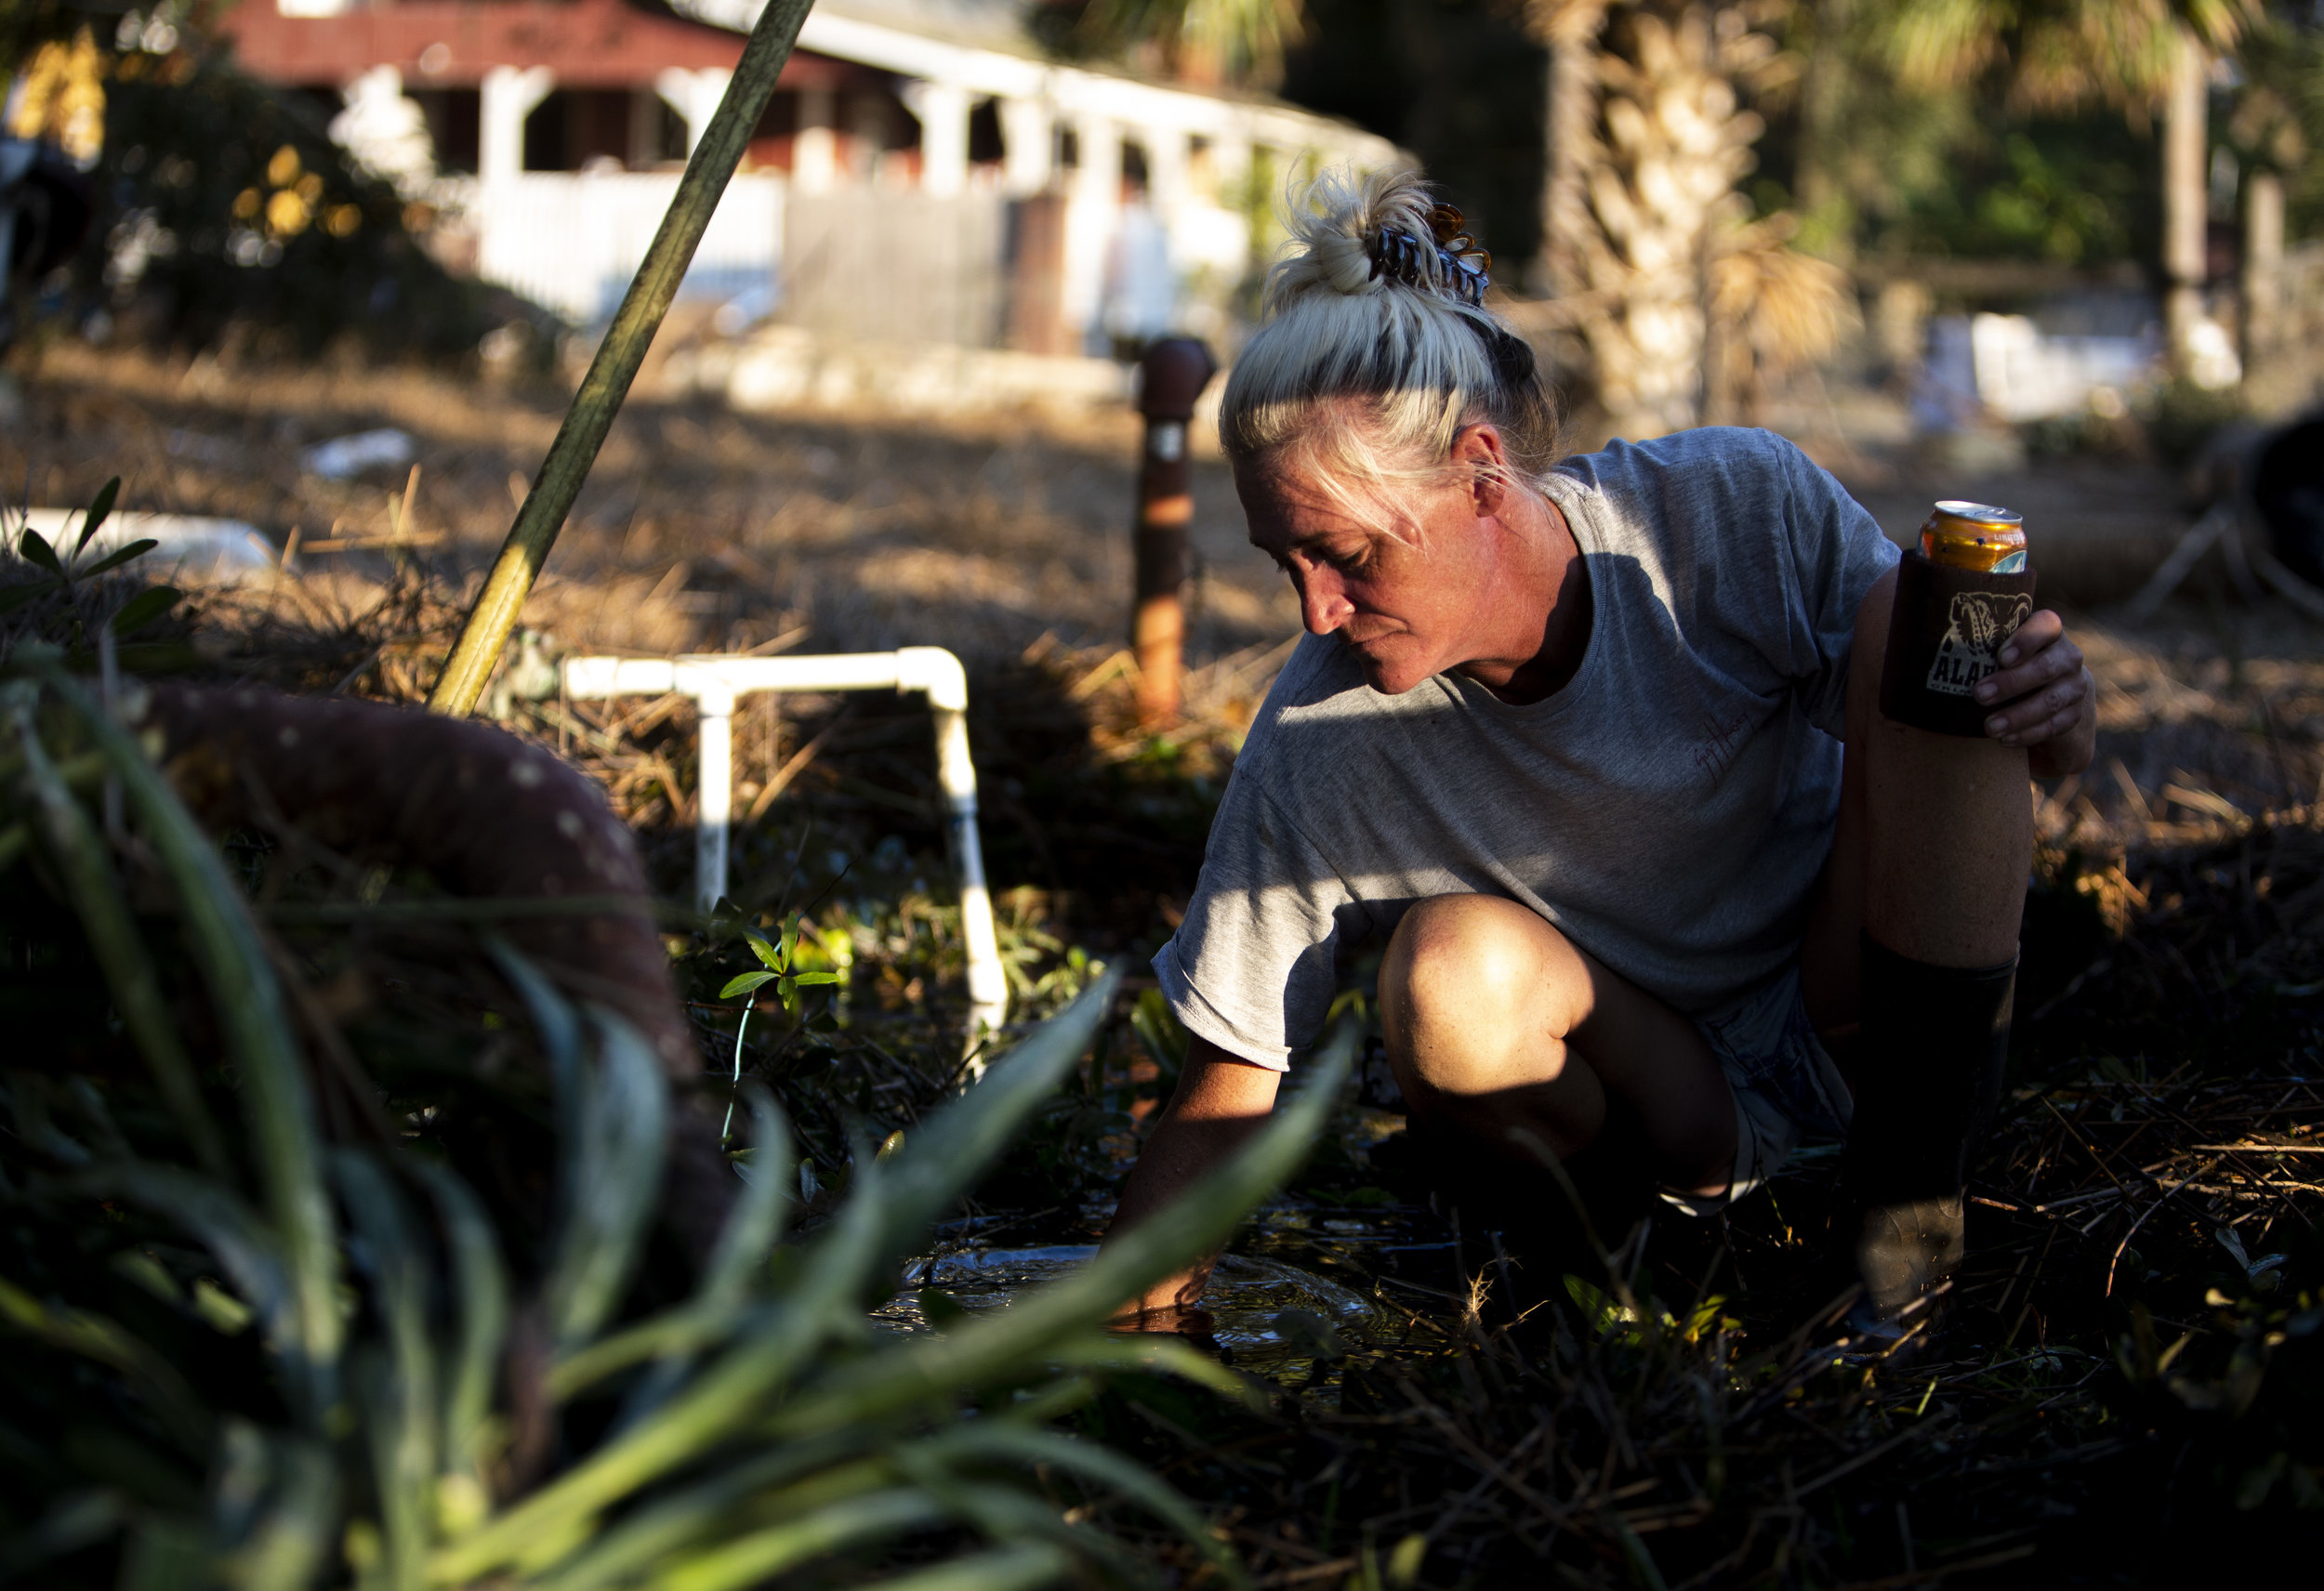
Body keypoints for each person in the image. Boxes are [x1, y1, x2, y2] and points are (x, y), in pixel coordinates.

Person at [1103, 169, 2096, 1334]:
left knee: (1922, 614)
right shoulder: (1322, 734)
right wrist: (1112, 1331)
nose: (1316, 610)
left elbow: (1967, 763)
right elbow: (1229, 1088)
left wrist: (2055, 721)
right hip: (1656, 1100)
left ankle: (1907, 1229)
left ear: (1480, 470)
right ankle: (1617, 1265)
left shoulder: (1727, 514)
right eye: (1287, 564)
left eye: (1348, 555)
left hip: (1854, 1014)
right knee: (1444, 973)